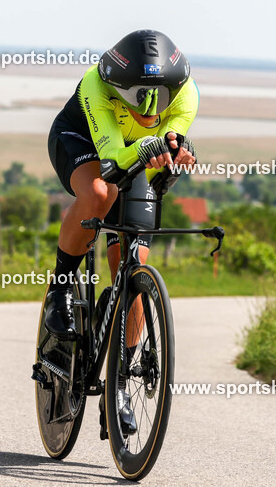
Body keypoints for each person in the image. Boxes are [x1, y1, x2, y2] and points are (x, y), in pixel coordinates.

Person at [43, 29, 198, 431]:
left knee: (133, 263)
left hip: (139, 154)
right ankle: (61, 285)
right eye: (139, 98)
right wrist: (153, 147)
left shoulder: (187, 92)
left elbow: (171, 139)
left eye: (161, 99)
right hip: (84, 142)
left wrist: (177, 155)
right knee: (99, 193)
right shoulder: (97, 85)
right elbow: (112, 158)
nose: (151, 108)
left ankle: (119, 384)